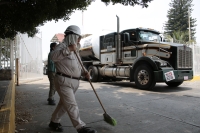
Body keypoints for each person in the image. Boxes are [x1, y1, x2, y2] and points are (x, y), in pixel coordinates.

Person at [48, 25, 97, 133]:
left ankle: (54, 122)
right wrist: (68, 49)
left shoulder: (75, 49)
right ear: (71, 36)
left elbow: (79, 64)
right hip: (63, 81)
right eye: (78, 37)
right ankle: (80, 127)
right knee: (71, 105)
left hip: (74, 82)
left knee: (64, 105)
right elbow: (53, 57)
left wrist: (85, 71)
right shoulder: (62, 46)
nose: (79, 39)